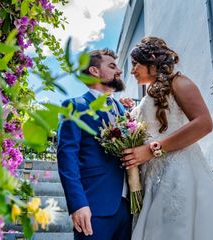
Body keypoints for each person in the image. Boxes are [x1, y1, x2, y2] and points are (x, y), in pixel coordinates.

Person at [120, 37, 213, 240]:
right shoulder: (149, 94)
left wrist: (153, 149)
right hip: (152, 179)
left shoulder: (179, 82)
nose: (132, 70)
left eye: (135, 63)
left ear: (151, 59)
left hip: (178, 174)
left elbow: (204, 123)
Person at [57, 49, 132, 240]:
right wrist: (78, 204)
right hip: (94, 207)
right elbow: (67, 159)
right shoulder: (75, 106)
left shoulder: (122, 109)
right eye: (112, 66)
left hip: (129, 208)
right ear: (94, 71)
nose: (119, 71)